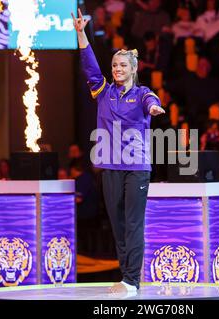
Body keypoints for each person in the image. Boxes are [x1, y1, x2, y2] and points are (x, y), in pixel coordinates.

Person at [72, 8, 165, 294]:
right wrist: (80, 33)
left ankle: (131, 281)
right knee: (117, 222)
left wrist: (153, 107)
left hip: (136, 166)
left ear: (134, 69)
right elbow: (89, 66)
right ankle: (127, 276)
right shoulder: (103, 91)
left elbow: (151, 99)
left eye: (123, 66)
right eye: (114, 65)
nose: (117, 69)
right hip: (110, 166)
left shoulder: (141, 93)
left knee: (134, 223)